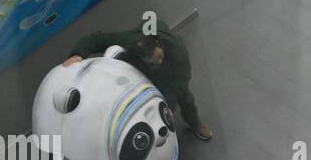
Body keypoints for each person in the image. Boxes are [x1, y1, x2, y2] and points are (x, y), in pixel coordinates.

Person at [64, 19, 212, 140]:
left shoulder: (178, 51)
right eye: (153, 60)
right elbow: (97, 39)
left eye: (159, 57)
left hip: (173, 76)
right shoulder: (130, 41)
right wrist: (78, 54)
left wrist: (165, 106)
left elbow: (180, 81)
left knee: (186, 100)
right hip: (144, 73)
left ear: (158, 44)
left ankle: (195, 124)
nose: (158, 62)